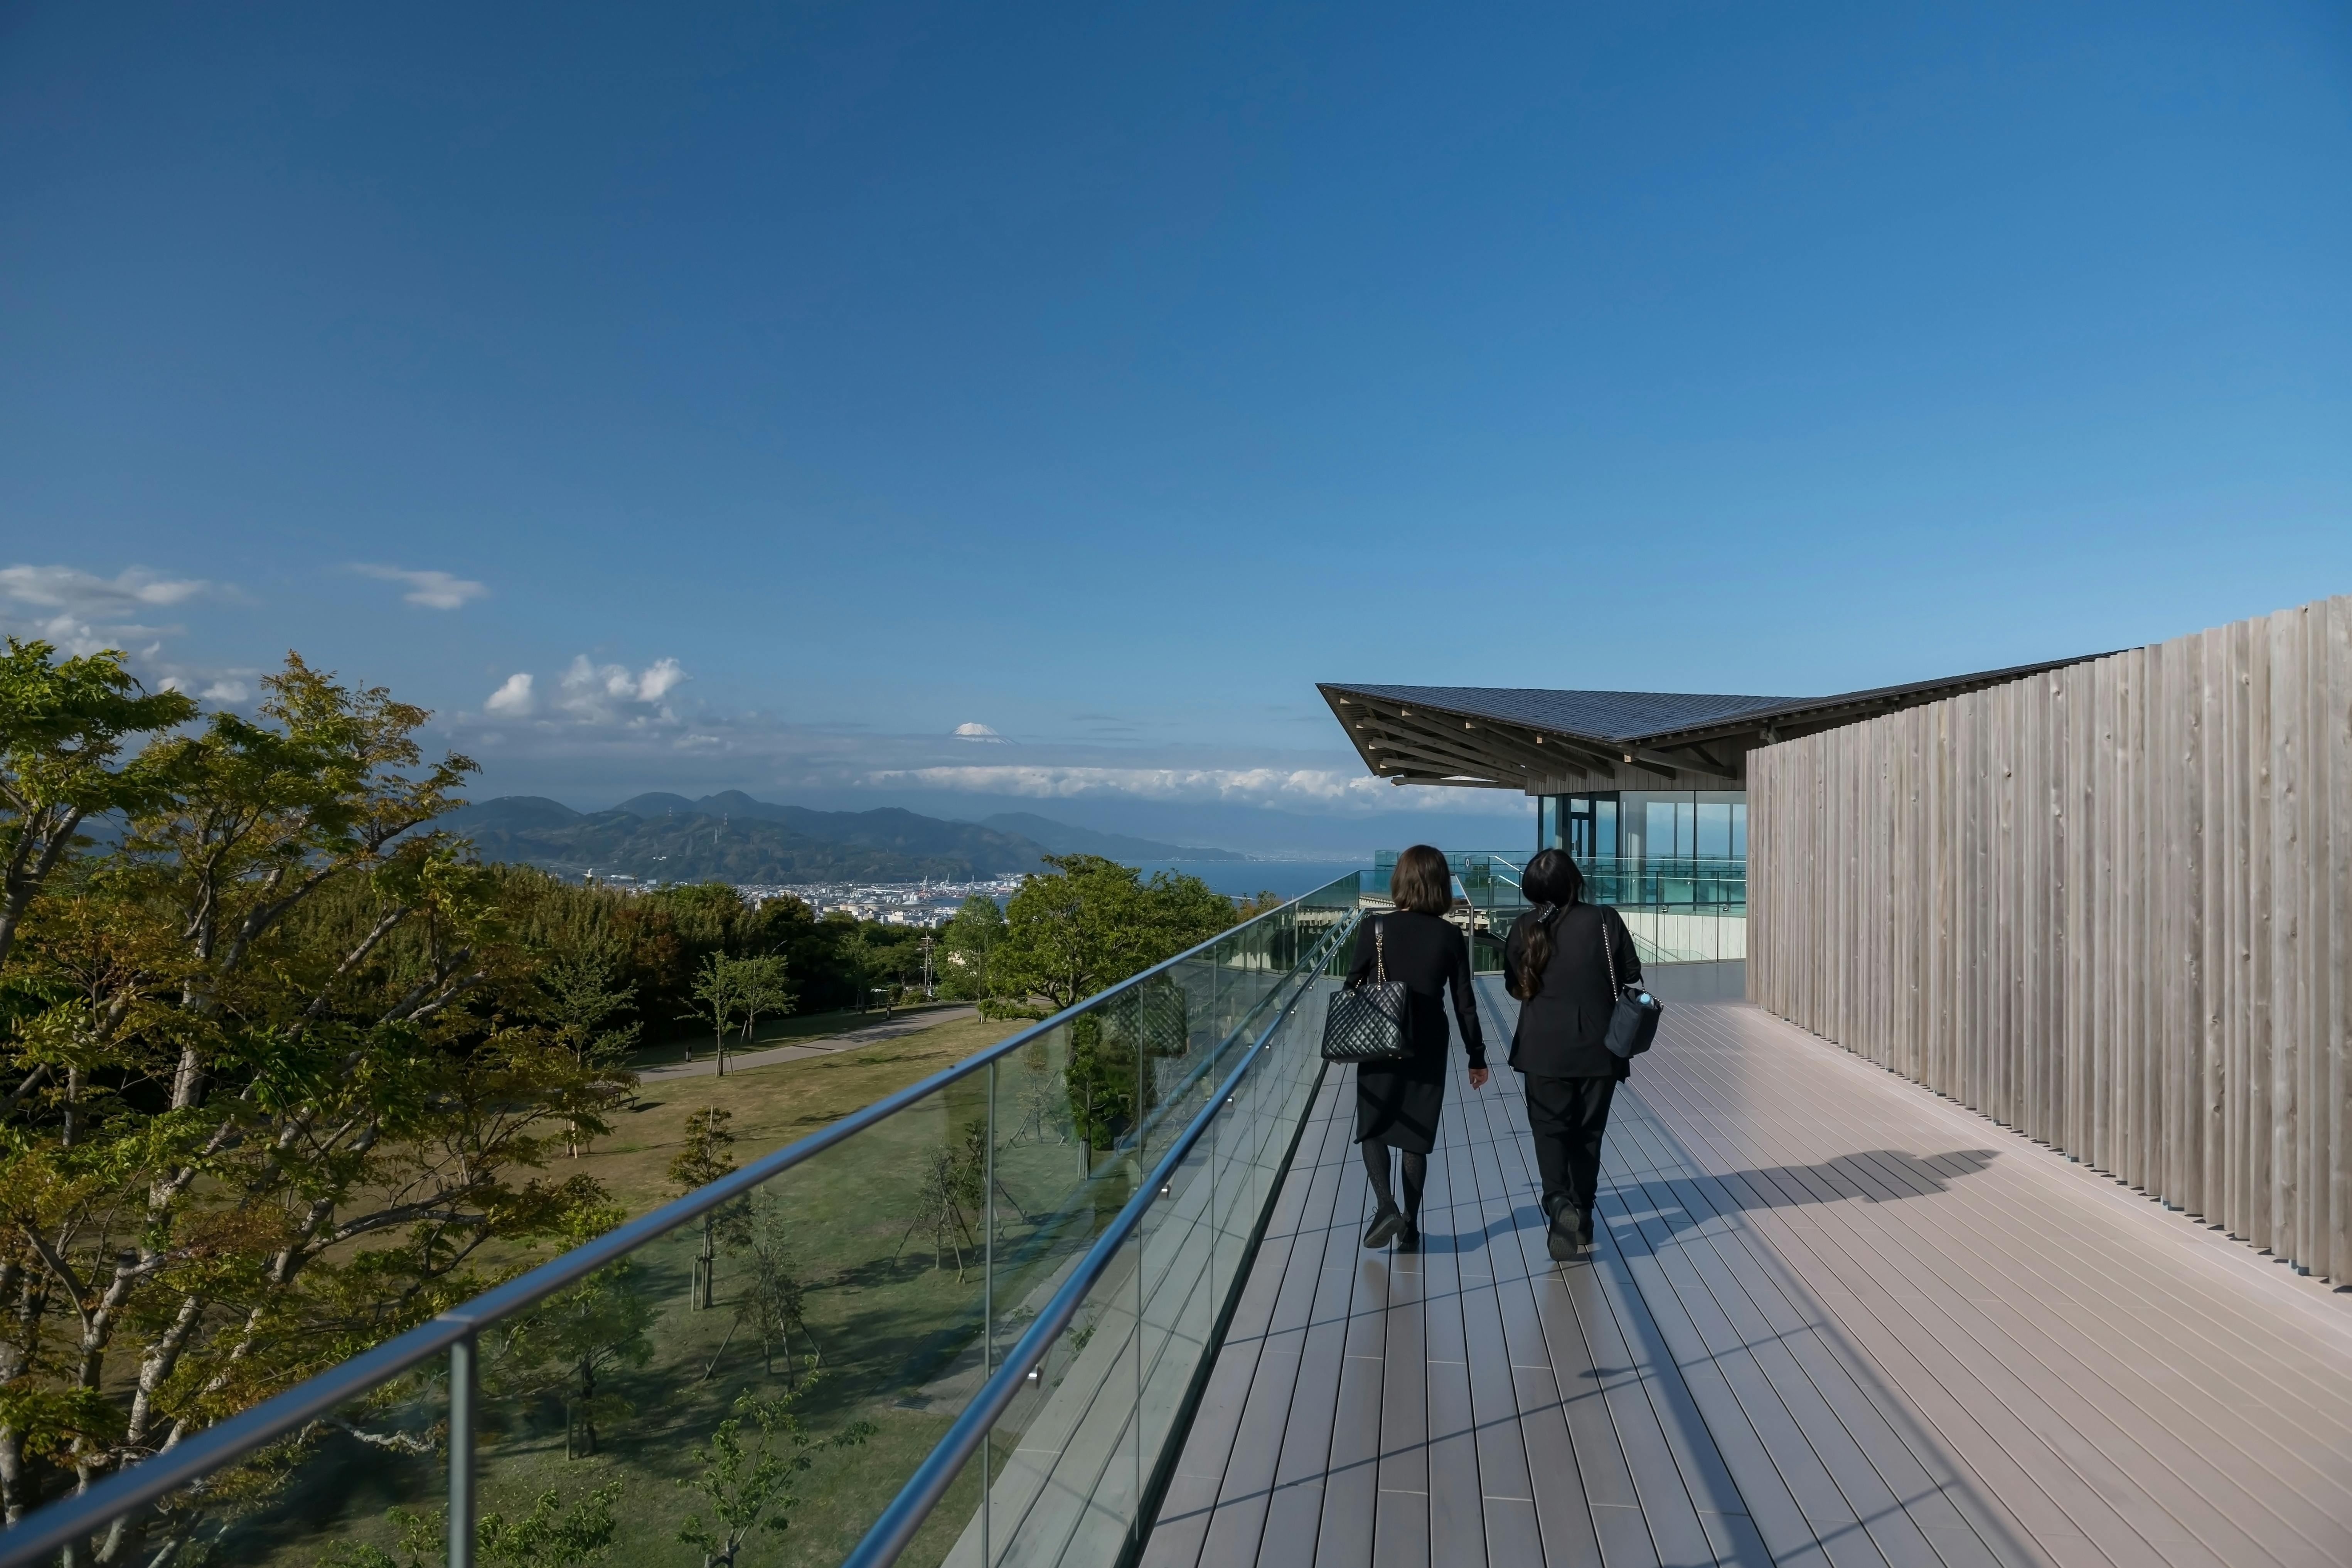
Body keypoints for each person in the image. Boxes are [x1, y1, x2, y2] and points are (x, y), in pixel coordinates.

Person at [1503, 847, 1643, 1262]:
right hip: (1600, 1047)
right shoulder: (1605, 920)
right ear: (1574, 881)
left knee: (1550, 1130)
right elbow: (1632, 974)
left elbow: (1515, 985)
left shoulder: (1524, 927)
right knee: (1589, 1133)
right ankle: (1582, 1214)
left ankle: (1557, 1204)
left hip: (1541, 1047)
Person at [1344, 844, 1486, 1251]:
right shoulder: (1449, 934)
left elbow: (1351, 984)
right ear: (1440, 886)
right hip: (1428, 1040)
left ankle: (1384, 1203)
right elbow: (1464, 1002)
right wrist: (1475, 1056)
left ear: (1400, 882)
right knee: (1415, 1135)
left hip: (1379, 1036)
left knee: (1373, 1123)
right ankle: (1410, 1227)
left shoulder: (1375, 927)